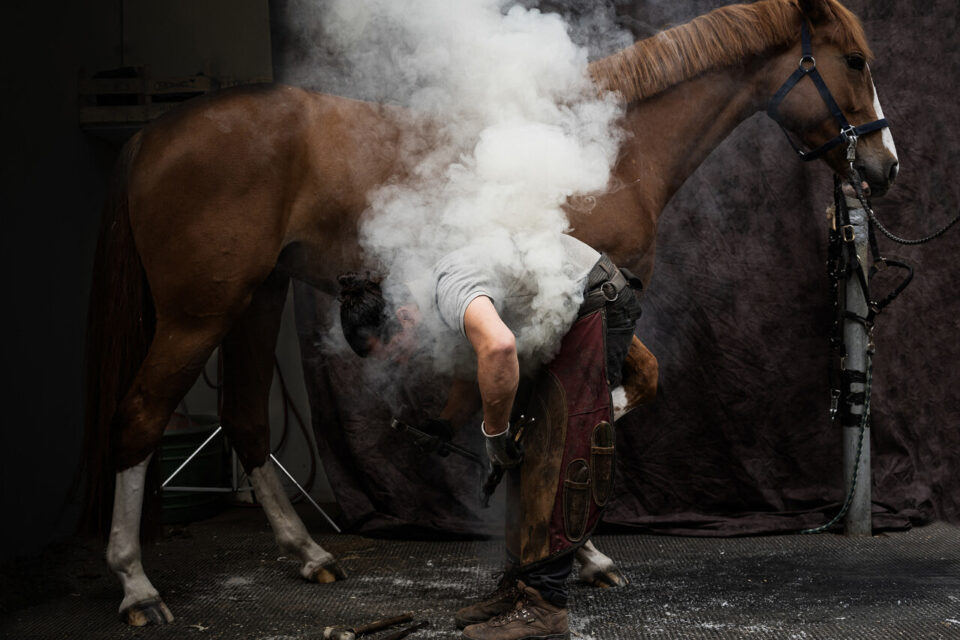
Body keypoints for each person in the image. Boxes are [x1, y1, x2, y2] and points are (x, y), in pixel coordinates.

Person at [339, 234, 644, 640]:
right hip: (564, 313)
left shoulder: (449, 288)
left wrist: (495, 435)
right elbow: (477, 362)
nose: (400, 361)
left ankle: (545, 608)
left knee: (555, 450)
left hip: (594, 303)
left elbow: (499, 349)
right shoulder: (433, 306)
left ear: (405, 316)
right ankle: (522, 587)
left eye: (393, 349)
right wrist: (447, 423)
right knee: (523, 452)